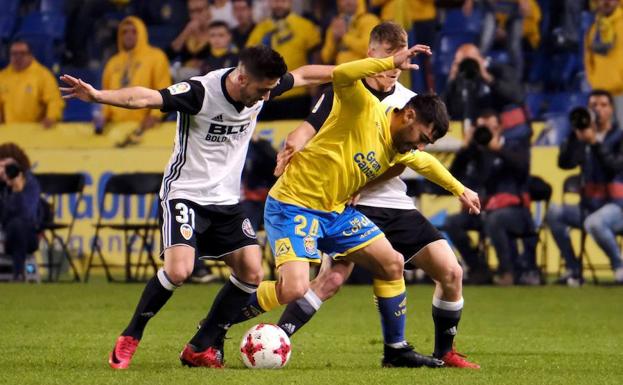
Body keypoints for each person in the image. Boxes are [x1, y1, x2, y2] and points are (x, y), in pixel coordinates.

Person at [60, 45, 334, 369]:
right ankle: (132, 334)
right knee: (179, 270)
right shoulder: (200, 92)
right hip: (185, 193)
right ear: (242, 77)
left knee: (251, 271)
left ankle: (200, 346)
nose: (265, 97)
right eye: (261, 90)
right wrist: (98, 96)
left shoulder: (263, 88)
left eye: (270, 90)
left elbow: (303, 75)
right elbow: (146, 97)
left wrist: (359, 70)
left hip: (226, 200)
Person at [232, 22, 481, 368]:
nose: (394, 68)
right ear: (372, 54)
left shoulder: (411, 104)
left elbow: (414, 156)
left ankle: (429, 351)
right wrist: (297, 141)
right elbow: (313, 122)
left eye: (399, 61)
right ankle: (275, 336)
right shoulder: (352, 89)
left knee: (449, 271)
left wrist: (457, 187)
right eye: (388, 59)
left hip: (390, 201)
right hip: (348, 201)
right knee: (328, 280)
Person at [444, 110, 538, 286]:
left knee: (496, 219)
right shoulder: (476, 153)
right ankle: (479, 268)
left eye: (490, 127)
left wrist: (498, 150)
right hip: (484, 211)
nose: (486, 132)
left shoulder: (513, 147)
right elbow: (453, 176)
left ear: (500, 128)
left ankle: (507, 272)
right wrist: (465, 148)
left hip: (515, 212)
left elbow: (522, 168)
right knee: (452, 222)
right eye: (482, 128)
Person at [546, 89, 623, 285]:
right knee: (554, 213)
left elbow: (614, 168)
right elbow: (564, 163)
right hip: (589, 205)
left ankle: (619, 267)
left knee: (594, 223)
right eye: (593, 105)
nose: (598, 109)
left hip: (617, 206)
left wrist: (595, 143)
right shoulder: (582, 137)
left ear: (612, 110)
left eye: (603, 105)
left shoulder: (619, 137)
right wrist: (575, 136)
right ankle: (574, 269)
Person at [246, 0, 322, 120]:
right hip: (267, 93)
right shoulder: (261, 28)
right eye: (275, 2)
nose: (278, 5)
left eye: (283, 1)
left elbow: (316, 57)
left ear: (290, 2)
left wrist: (315, 87)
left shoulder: (305, 25)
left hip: (298, 91)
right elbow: (249, 58)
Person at [101, 16, 171, 138]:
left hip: (146, 129)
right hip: (115, 128)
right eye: (124, 32)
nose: (129, 35)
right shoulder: (113, 62)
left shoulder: (156, 57)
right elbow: (106, 94)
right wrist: (103, 117)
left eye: (134, 31)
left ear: (142, 33)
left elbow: (164, 89)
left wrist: (155, 116)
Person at [444, 43, 526, 130]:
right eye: (463, 62)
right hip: (474, 130)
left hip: (503, 129)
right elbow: (448, 110)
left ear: (480, 58)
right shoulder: (462, 78)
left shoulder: (500, 69)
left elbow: (518, 97)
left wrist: (488, 78)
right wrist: (451, 80)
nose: (468, 66)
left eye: (470, 61)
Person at [0, 143, 42, 282]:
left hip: (26, 235)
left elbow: (27, 216)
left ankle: (18, 274)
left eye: (7, 166)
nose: (4, 170)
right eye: (0, 166)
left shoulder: (30, 183)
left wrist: (17, 190)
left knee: (18, 225)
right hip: (5, 235)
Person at [0, 40, 65, 128]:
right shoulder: (3, 76)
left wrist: (51, 117)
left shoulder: (43, 75)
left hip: (35, 131)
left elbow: (54, 100)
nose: (18, 57)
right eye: (14, 53)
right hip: (10, 130)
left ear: (30, 55)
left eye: (22, 53)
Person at [585, 0, 623, 126]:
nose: (606, 2)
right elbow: (588, 60)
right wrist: (595, 83)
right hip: (601, 94)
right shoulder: (593, 30)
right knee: (605, 140)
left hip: (621, 93)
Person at [320, 0, 379, 65]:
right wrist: (334, 41)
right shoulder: (337, 23)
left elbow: (370, 50)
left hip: (363, 71)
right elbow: (326, 57)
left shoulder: (369, 20)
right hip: (340, 71)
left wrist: (344, 36)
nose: (348, 2)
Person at [168, 0, 213, 77]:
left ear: (209, 10)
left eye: (199, 10)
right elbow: (170, 54)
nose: (195, 15)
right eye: (192, 11)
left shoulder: (217, 29)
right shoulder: (186, 28)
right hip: (182, 72)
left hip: (205, 74)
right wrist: (186, 32)